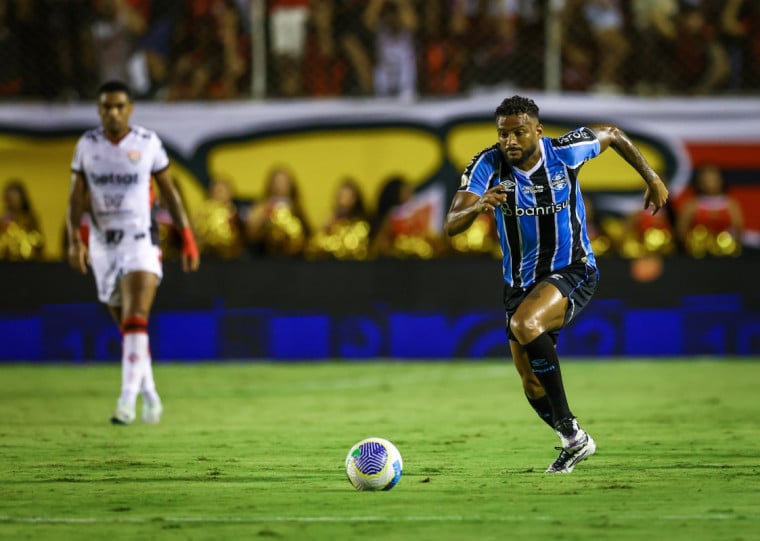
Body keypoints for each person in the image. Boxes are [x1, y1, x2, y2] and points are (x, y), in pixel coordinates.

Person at [444, 95, 669, 473]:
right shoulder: (488, 163)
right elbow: (451, 224)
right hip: (520, 283)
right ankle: (576, 441)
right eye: (503, 134)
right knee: (531, 386)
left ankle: (567, 425)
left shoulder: (565, 152)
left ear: (538, 131)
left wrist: (652, 177)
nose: (510, 141)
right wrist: (478, 204)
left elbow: (612, 134)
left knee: (525, 324)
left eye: (518, 133)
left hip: (573, 268)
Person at [66, 80, 200, 426]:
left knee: (136, 316)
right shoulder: (88, 146)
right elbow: (76, 198)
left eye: (119, 106)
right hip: (102, 244)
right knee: (129, 328)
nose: (113, 112)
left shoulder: (147, 143)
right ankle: (151, 395)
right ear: (99, 110)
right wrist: (74, 240)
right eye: (107, 107)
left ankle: (126, 402)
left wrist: (187, 237)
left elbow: (171, 194)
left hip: (141, 238)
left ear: (130, 109)